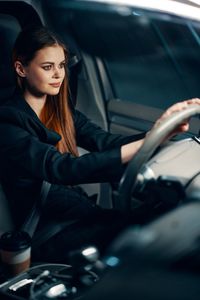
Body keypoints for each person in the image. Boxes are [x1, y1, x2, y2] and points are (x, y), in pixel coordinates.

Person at [0, 26, 199, 263]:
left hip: (78, 213)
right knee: (146, 241)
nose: (58, 75)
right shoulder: (7, 121)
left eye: (62, 65)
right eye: (47, 67)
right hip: (47, 232)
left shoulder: (61, 112)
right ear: (21, 69)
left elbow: (105, 142)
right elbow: (62, 168)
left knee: (157, 223)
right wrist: (145, 142)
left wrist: (160, 130)